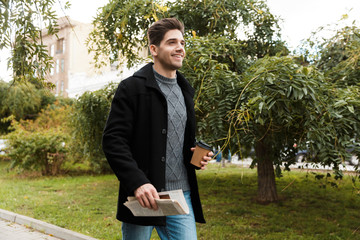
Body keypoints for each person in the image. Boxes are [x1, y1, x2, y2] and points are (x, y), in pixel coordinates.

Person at [102, 18, 213, 240]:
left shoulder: (185, 90)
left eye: (182, 43)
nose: (180, 47)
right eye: (172, 42)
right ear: (154, 49)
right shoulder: (132, 88)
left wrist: (196, 155)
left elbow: (173, 136)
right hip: (143, 195)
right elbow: (113, 141)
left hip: (181, 195)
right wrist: (138, 182)